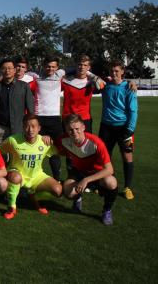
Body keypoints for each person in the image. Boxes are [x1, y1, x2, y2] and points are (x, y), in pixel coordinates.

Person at [57, 114, 118, 225]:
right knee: (68, 191)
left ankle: (107, 210)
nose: (74, 132)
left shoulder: (96, 142)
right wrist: (46, 138)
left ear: (83, 127)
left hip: (97, 173)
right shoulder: (63, 140)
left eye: (77, 129)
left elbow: (109, 170)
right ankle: (77, 198)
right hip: (79, 172)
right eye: (70, 130)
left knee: (111, 182)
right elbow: (53, 146)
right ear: (66, 130)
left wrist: (86, 180)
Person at [0, 114, 62, 220]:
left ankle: (33, 195)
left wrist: (51, 139)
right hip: (18, 174)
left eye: (33, 126)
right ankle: (12, 207)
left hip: (36, 176)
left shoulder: (45, 142)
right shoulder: (12, 140)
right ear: (23, 127)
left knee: (58, 190)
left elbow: (59, 151)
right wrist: (1, 170)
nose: (30, 130)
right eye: (27, 126)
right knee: (15, 177)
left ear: (39, 128)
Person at [99, 60, 138, 200]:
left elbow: (133, 110)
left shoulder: (129, 87)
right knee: (105, 157)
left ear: (122, 72)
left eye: (116, 71)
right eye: (112, 71)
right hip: (106, 127)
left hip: (124, 128)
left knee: (127, 157)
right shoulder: (105, 85)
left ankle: (127, 187)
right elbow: (88, 74)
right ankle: (109, 183)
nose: (114, 73)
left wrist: (130, 129)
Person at [0, 58, 35, 145]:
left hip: (18, 128)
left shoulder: (24, 86)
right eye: (4, 68)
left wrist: (31, 127)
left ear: (14, 70)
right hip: (0, 129)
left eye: (10, 68)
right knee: (1, 152)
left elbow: (30, 109)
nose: (7, 71)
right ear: (0, 70)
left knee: (17, 151)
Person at [34, 56, 66, 180]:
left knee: (55, 151)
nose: (50, 69)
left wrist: (94, 77)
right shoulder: (36, 76)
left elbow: (78, 69)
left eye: (53, 67)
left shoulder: (60, 74)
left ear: (57, 67)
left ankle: (57, 179)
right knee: (36, 149)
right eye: (48, 66)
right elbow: (21, 74)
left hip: (55, 119)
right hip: (39, 118)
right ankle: (35, 178)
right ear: (43, 66)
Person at [61, 55, 106, 133]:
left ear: (89, 67)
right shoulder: (66, 80)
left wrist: (91, 75)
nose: (82, 67)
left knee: (86, 141)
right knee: (66, 141)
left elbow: (102, 85)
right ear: (76, 65)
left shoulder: (91, 82)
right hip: (68, 118)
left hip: (85, 118)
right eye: (80, 64)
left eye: (85, 65)